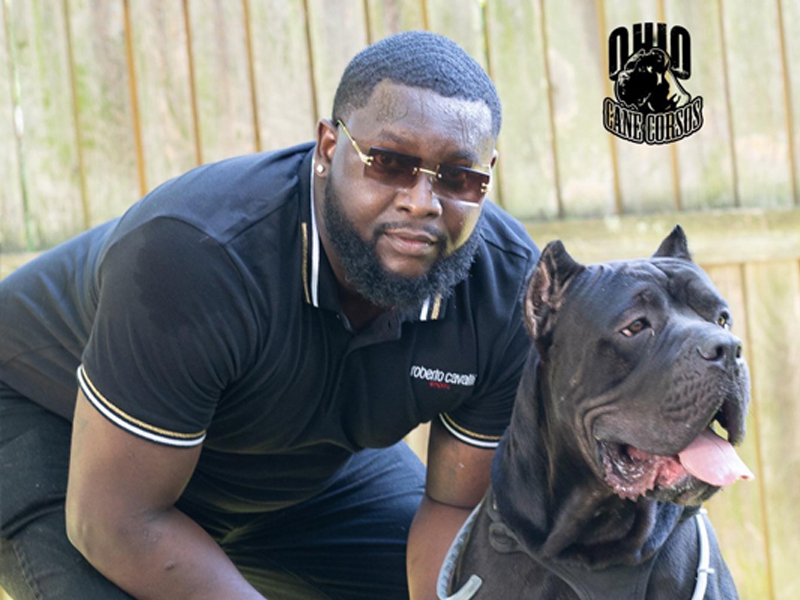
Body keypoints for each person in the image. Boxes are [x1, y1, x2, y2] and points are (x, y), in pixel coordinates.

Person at [0, 31, 539, 600]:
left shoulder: (507, 292)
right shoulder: (198, 256)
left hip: (292, 469)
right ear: (328, 148)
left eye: (459, 177)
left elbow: (454, 506)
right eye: (388, 162)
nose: (421, 202)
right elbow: (114, 524)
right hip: (69, 442)